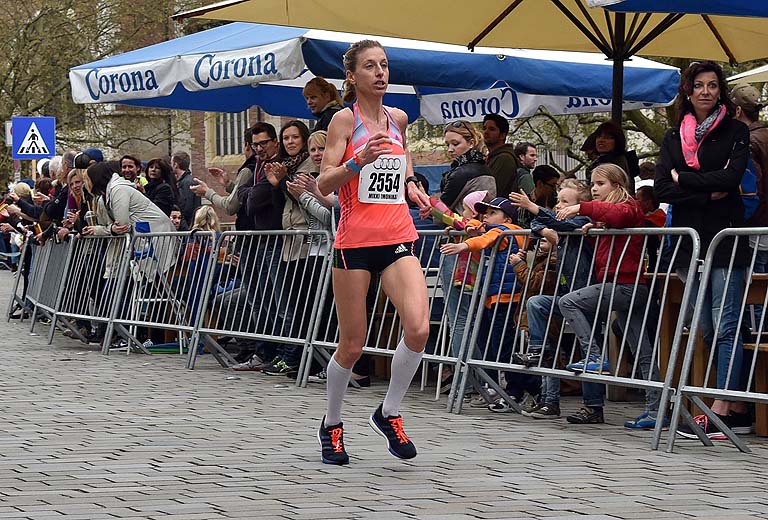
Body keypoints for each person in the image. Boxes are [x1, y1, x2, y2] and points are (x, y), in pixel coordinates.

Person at [316, 39, 431, 465]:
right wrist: (357, 161)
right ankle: (332, 424)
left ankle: (389, 412)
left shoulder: (398, 118)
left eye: (384, 65)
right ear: (352, 76)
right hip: (355, 243)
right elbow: (324, 182)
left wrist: (413, 187)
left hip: (398, 235)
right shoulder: (344, 121)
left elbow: (403, 163)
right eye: (370, 66)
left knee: (418, 329)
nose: (380, 72)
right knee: (352, 345)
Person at [655, 61, 752, 439]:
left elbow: (731, 179)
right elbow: (662, 188)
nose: (706, 91)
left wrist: (685, 178)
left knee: (726, 324)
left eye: (712, 85)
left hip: (725, 239)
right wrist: (703, 190)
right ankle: (738, 405)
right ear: (688, 90)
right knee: (707, 327)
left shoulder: (736, 130)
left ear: (720, 89)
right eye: (699, 85)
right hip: (688, 241)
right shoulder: (672, 136)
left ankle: (723, 407)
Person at [556, 164, 664, 428]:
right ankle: (656, 409)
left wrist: (582, 208)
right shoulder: (609, 213)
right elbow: (610, 240)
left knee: (568, 301)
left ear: (617, 185)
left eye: (600, 184)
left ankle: (594, 356)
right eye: (592, 183)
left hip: (624, 286)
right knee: (642, 349)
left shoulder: (628, 206)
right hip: (625, 286)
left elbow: (620, 215)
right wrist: (593, 230)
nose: (594, 189)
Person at [510, 179, 596, 420]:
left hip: (585, 296)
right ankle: (539, 357)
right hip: (565, 297)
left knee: (588, 349)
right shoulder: (557, 225)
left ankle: (593, 406)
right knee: (537, 304)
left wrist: (533, 208)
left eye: (565, 201)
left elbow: (561, 223)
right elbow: (540, 223)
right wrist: (546, 230)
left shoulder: (582, 221)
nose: (559, 205)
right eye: (558, 200)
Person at [440, 197, 528, 410]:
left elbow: (484, 240)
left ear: (507, 218)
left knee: (502, 347)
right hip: (492, 297)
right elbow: (478, 230)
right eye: (485, 213)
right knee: (488, 343)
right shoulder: (496, 230)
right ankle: (493, 387)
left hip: (506, 298)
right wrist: (468, 228)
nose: (486, 217)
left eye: (492, 213)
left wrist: (463, 244)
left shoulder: (506, 231)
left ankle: (515, 392)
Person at [731, 83, 768, 301]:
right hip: (761, 228)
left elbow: (752, 190)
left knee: (753, 298)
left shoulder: (749, 141)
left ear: (737, 111)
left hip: (755, 230)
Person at [586, 121, 636, 195]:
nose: (601, 140)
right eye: (598, 136)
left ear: (617, 141)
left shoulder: (617, 163)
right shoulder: (598, 161)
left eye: (607, 138)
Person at [483, 114, 520, 197]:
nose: (486, 132)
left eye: (492, 129)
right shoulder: (492, 157)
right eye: (484, 128)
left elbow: (492, 191)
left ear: (502, 135)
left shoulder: (504, 158)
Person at [171, 151, 201, 230]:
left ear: (175, 164)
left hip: (187, 227)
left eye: (171, 163)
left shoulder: (187, 183)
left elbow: (186, 207)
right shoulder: (187, 181)